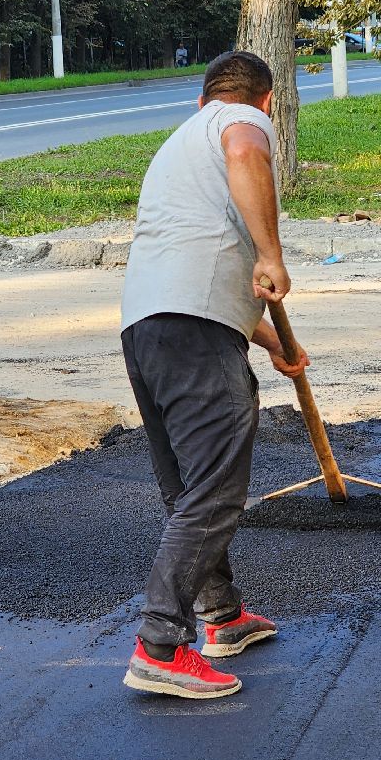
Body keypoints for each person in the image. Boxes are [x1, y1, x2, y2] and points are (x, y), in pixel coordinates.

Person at [119, 49, 308, 699]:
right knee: (215, 490)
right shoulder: (243, 122)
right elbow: (246, 155)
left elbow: (200, 271)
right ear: (266, 101)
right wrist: (273, 252)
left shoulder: (180, 140)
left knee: (189, 488)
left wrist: (271, 342)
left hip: (148, 328)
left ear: (200, 99)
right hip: (191, 332)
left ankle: (222, 617)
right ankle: (159, 645)